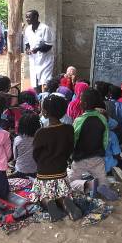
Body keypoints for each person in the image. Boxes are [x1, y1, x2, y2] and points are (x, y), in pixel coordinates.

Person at [31, 94, 82, 222]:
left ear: (46, 113)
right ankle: (65, 203)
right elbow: (70, 148)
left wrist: (42, 164)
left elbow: (35, 154)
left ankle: (48, 203)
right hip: (61, 170)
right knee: (61, 193)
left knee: (40, 195)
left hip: (44, 172)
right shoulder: (69, 129)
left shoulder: (41, 132)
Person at [68, 89, 119, 201]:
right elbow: (105, 138)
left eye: (80, 100)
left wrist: (71, 154)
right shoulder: (102, 118)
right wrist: (101, 150)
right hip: (97, 156)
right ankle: (103, 186)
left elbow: (74, 139)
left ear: (85, 104)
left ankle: (89, 185)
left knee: (71, 181)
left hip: (80, 158)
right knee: (102, 178)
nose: (79, 102)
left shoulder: (79, 120)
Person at [24, 9, 54, 93]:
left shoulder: (44, 28)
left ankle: (45, 99)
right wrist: (27, 50)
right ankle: (37, 99)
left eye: (29, 17)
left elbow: (48, 45)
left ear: (36, 17)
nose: (27, 19)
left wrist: (36, 49)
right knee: (35, 82)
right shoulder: (27, 30)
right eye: (26, 17)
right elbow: (27, 44)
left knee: (45, 81)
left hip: (45, 60)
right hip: (34, 60)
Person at [10, 111, 40, 179]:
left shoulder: (18, 140)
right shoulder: (40, 139)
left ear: (21, 126)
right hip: (36, 171)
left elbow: (15, 157)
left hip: (20, 170)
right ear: (37, 125)